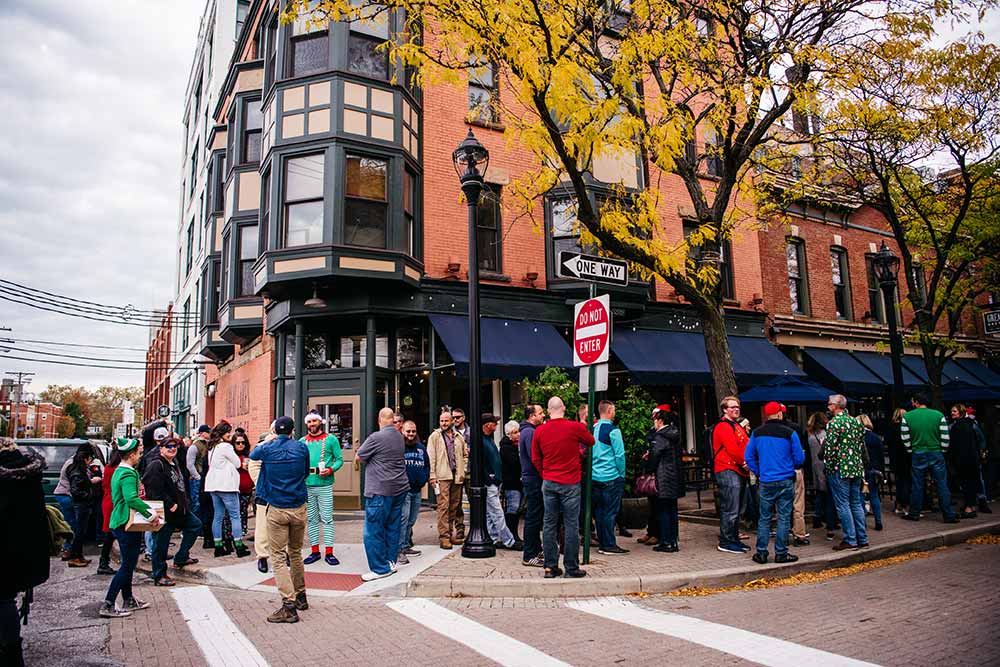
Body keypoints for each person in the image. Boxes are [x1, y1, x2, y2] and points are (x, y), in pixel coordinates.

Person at [250, 416, 310, 623]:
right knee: (295, 552)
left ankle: (289, 605)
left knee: (277, 556)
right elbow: (304, 472)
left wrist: (268, 439)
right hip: (298, 505)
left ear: (275, 431)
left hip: (277, 507)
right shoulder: (301, 448)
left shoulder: (267, 448)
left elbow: (253, 454)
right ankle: (301, 596)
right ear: (293, 430)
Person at [532, 396, 595, 579]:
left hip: (549, 481)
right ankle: (571, 567)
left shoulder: (540, 431)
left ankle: (550, 567)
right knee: (571, 525)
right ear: (564, 408)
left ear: (548, 410)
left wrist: (545, 474)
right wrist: (582, 424)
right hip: (570, 481)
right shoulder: (574, 427)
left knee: (549, 524)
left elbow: (536, 458)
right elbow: (591, 441)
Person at [0, 436, 49, 665]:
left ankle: (10, 653)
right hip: (23, 548)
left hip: (6, 545)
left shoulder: (5, 478)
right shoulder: (29, 475)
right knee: (6, 599)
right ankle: (13, 653)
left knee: (2, 600)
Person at [102, 437, 159, 618]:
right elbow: (131, 498)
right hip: (126, 522)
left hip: (120, 521)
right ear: (132, 454)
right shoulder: (127, 474)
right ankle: (108, 603)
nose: (140, 457)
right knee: (127, 565)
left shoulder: (119, 470)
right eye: (139, 454)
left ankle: (128, 599)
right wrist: (151, 514)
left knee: (129, 563)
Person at [744, 402, 805, 564]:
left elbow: (748, 456)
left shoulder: (757, 433)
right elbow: (800, 458)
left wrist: (758, 471)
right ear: (779, 414)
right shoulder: (790, 433)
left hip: (766, 480)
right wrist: (790, 466)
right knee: (784, 517)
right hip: (785, 479)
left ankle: (762, 553)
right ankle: (781, 553)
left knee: (764, 518)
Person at [357, 407, 410, 581]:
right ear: (392, 420)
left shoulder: (375, 437)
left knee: (373, 530)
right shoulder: (399, 437)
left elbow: (359, 457)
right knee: (392, 526)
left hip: (379, 490)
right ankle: (390, 562)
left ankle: (380, 568)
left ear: (379, 420)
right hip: (399, 488)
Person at [141, 437, 201, 586]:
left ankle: (181, 557)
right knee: (161, 544)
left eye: (175, 446)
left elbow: (180, 484)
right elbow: (152, 490)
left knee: (195, 525)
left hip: (181, 509)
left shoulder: (174, 463)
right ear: (161, 449)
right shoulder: (156, 465)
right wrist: (170, 504)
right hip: (165, 511)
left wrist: (184, 502)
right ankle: (159, 575)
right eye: (168, 446)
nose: (172, 449)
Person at [902, 393, 957, 524]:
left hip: (918, 452)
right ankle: (948, 515)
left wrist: (911, 449)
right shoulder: (938, 415)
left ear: (916, 402)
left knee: (917, 484)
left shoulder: (908, 416)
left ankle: (914, 513)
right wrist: (942, 450)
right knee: (941, 484)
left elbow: (905, 437)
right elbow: (945, 437)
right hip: (935, 452)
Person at [824, 395, 870, 550]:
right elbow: (861, 445)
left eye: (830, 404)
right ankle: (862, 537)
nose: (828, 407)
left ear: (836, 406)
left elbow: (829, 449)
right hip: (856, 467)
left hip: (840, 468)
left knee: (843, 504)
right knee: (856, 503)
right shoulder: (855, 422)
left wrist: (828, 466)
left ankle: (850, 539)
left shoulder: (834, 423)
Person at [301, 411, 344, 566]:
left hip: (325, 484)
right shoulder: (302, 441)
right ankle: (314, 551)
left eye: (314, 421)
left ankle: (329, 552)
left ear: (320, 422)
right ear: (306, 423)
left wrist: (331, 469)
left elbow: (339, 460)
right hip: (307, 484)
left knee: (327, 519)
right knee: (311, 519)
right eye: (309, 421)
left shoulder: (331, 439)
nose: (312, 424)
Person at [205, 421, 250, 557]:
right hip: (226, 484)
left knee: (218, 516)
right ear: (223, 433)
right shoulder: (225, 446)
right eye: (228, 432)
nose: (230, 435)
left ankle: (218, 546)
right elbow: (237, 463)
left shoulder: (212, 446)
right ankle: (239, 546)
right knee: (235, 515)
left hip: (213, 484)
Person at [713, 396, 751, 554]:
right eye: (732, 407)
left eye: (737, 407)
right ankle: (726, 540)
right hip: (728, 469)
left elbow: (747, 443)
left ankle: (733, 538)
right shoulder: (723, 426)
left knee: (737, 507)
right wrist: (745, 462)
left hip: (737, 469)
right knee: (731, 508)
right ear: (724, 410)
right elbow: (732, 448)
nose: (736, 409)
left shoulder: (736, 425)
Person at [427, 410, 467, 549]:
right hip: (442, 476)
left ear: (451, 421)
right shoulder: (435, 436)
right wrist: (432, 475)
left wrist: (464, 469)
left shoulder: (458, 437)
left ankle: (450, 535)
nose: (444, 423)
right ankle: (444, 537)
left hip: (456, 476)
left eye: (446, 420)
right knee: (443, 508)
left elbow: (464, 454)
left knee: (454, 507)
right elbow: (431, 458)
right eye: (442, 421)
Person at [592, 401, 628, 555]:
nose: (615, 413)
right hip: (611, 476)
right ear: (609, 411)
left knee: (599, 512)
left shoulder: (592, 429)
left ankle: (602, 543)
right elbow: (620, 455)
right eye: (614, 410)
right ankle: (609, 545)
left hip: (595, 476)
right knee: (610, 512)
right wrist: (622, 473)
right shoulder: (613, 431)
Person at [481, 414, 521, 550]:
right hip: (490, 482)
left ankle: (492, 538)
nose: (497, 425)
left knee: (490, 513)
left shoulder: (489, 439)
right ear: (487, 425)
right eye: (494, 423)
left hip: (495, 481)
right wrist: (489, 479)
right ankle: (509, 540)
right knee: (497, 512)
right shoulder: (481, 440)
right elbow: (479, 463)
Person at [648, 406, 684, 553]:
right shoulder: (675, 435)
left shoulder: (660, 436)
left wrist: (648, 467)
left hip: (663, 477)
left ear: (660, 420)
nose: (654, 423)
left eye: (655, 420)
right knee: (672, 510)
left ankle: (665, 541)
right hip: (675, 476)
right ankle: (673, 541)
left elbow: (654, 456)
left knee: (663, 510)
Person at [64, 444, 102, 567]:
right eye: (90, 458)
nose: (91, 461)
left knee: (81, 531)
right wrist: (89, 495)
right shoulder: (77, 471)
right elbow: (76, 491)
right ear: (85, 458)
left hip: (82, 504)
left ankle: (79, 556)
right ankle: (75, 557)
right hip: (81, 505)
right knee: (79, 532)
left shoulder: (78, 469)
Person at [518, 404, 546, 567]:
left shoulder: (527, 431)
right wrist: (544, 473)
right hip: (534, 479)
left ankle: (535, 549)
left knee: (535, 515)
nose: (543, 416)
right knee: (533, 517)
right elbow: (535, 457)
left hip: (531, 478)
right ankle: (529, 554)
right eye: (540, 413)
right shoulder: (529, 432)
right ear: (532, 416)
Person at [398, 420, 429, 564]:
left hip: (417, 490)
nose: (411, 434)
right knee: (403, 520)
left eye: (413, 431)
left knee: (411, 520)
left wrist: (425, 478)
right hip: (404, 490)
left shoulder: (421, 448)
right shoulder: (398, 448)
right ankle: (398, 550)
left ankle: (406, 545)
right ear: (402, 431)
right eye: (408, 431)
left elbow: (427, 466)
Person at [807, 412, 838, 540]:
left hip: (815, 466)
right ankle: (831, 522)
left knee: (819, 492)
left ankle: (817, 516)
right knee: (830, 496)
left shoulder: (810, 436)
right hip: (826, 465)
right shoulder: (827, 435)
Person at [783, 408, 810, 546]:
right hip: (794, 468)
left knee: (782, 505)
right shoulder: (795, 429)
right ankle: (799, 534)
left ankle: (784, 533)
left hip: (778, 471)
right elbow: (801, 452)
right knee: (798, 503)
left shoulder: (764, 431)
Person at [949, 404, 981, 519]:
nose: (952, 413)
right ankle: (971, 507)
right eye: (952, 411)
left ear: (961, 412)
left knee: (966, 484)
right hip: (971, 459)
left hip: (964, 460)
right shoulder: (970, 424)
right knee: (971, 484)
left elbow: (956, 446)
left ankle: (969, 509)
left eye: (954, 411)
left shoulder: (958, 426)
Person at [248, 428, 272, 573]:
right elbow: (254, 466)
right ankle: (262, 556)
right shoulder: (260, 452)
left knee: (284, 526)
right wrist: (263, 484)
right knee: (262, 526)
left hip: (282, 494)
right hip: (265, 493)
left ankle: (285, 553)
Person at [186, 424, 213, 548]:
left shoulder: (209, 445)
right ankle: (194, 528)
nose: (210, 433)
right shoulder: (194, 446)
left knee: (204, 505)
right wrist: (198, 477)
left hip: (206, 478)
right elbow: (190, 464)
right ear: (202, 433)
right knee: (196, 504)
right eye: (208, 432)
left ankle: (201, 529)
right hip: (198, 479)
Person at [97, 447, 121, 576]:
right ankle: (103, 563)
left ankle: (103, 562)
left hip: (107, 501)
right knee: (112, 534)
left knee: (109, 535)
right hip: (114, 503)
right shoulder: (119, 470)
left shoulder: (107, 468)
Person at [858, 414, 885, 531]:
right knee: (874, 495)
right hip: (874, 469)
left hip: (860, 469)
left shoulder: (856, 437)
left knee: (860, 497)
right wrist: (882, 471)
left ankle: (862, 523)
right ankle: (878, 521)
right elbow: (881, 456)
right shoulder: (876, 437)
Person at [499, 420, 523, 543]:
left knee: (515, 508)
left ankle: (512, 535)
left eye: (518, 431)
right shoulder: (506, 448)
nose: (518, 434)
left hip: (516, 482)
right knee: (513, 508)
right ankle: (511, 535)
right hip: (511, 482)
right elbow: (515, 463)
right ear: (509, 434)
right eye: (515, 432)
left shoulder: (514, 446)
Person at [231, 432, 256, 543]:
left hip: (247, 488)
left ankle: (242, 530)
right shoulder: (231, 455)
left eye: (243, 442)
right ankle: (235, 533)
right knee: (235, 511)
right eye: (238, 443)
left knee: (243, 510)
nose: (241, 445)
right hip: (234, 488)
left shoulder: (249, 455)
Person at [885, 408, 910, 516]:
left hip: (894, 457)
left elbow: (887, 441)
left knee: (899, 482)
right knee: (907, 482)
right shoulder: (906, 427)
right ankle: (906, 505)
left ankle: (898, 504)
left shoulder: (890, 427)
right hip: (906, 457)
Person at [52, 456, 77, 559]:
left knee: (68, 522)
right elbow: (76, 483)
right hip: (67, 495)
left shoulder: (69, 462)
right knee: (72, 524)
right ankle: (69, 549)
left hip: (62, 495)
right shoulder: (74, 465)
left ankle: (67, 548)